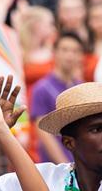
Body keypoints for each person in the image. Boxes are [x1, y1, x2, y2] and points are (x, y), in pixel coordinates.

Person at [30, 32, 85, 163]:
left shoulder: (81, 87)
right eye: (65, 50)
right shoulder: (42, 88)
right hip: (55, 166)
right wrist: (66, 166)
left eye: (75, 51)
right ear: (55, 53)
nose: (70, 55)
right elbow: (43, 133)